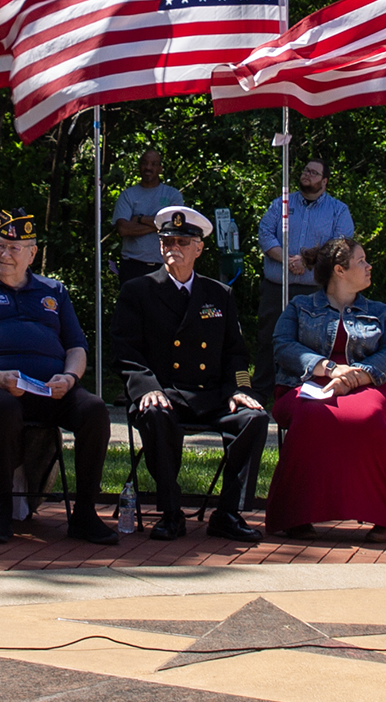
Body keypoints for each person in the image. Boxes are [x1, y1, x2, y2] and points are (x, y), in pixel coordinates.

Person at [0, 209, 117, 546]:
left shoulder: (54, 291)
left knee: (94, 409)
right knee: (3, 408)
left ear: (32, 253)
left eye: (14, 248)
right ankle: (2, 511)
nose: (4, 254)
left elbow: (77, 346)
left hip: (49, 389)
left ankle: (84, 514)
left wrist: (69, 377)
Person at [112, 206, 266, 543]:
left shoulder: (219, 295)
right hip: (166, 392)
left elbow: (235, 352)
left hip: (210, 394)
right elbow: (125, 351)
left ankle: (228, 512)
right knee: (154, 413)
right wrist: (145, 388)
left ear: (199, 248)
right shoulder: (139, 291)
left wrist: (238, 389)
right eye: (167, 241)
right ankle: (170, 512)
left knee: (254, 418)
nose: (173, 248)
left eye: (182, 241)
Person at [266, 237, 386, 543]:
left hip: (369, 384)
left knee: (368, 416)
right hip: (309, 384)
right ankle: (296, 514)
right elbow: (283, 346)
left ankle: (383, 513)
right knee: (312, 414)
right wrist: (328, 368)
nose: (369, 267)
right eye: (361, 261)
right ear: (339, 271)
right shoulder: (300, 307)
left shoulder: (380, 311)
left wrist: (355, 377)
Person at [256, 159, 355, 359]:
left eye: (313, 173)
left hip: (315, 290)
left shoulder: (338, 210)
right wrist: (289, 260)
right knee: (268, 338)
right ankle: (263, 387)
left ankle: (303, 387)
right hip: (277, 289)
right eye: (305, 170)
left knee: (312, 343)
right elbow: (265, 234)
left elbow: (339, 246)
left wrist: (306, 261)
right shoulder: (281, 204)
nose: (307, 175)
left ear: (325, 181)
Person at [112, 149, 184, 282]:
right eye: (145, 163)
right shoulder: (127, 195)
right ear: (139, 166)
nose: (148, 168)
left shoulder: (173, 195)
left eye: (154, 164)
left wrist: (140, 219)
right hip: (132, 267)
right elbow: (124, 229)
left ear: (161, 169)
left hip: (165, 267)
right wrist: (162, 224)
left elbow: (176, 226)